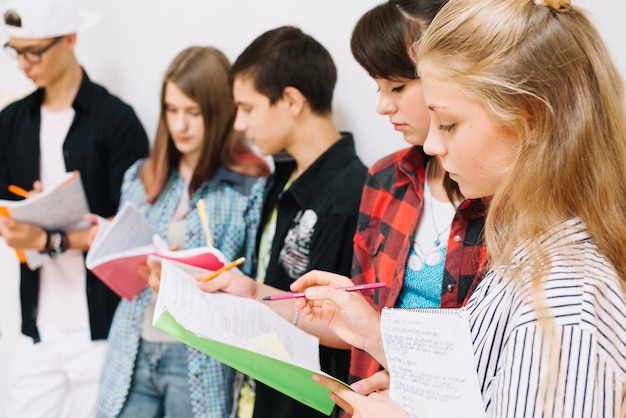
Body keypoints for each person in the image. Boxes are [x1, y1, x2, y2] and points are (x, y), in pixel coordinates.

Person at [292, 0, 626, 416]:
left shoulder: (564, 305)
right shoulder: (526, 251)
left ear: (531, 121)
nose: (432, 144)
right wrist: (390, 356)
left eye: (448, 123)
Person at [197, 26, 368, 418]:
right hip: (258, 394)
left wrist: (255, 294)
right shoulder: (281, 175)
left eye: (247, 107)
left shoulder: (350, 193)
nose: (239, 123)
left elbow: (342, 327)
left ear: (291, 100)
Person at [95, 46, 269, 418]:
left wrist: (182, 278)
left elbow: (253, 282)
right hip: (132, 346)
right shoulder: (141, 177)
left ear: (222, 113)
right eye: (171, 111)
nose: (180, 126)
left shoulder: (249, 186)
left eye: (194, 113)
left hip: (197, 359)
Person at [0, 0, 149, 416]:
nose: (24, 64)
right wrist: (19, 219)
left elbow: (136, 232)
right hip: (38, 327)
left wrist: (49, 236)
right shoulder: (11, 122)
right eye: (16, 50)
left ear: (70, 39)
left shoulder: (117, 121)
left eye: (34, 51)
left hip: (102, 328)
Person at [347, 0, 487, 388]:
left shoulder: (501, 192)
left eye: (397, 85)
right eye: (377, 87)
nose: (382, 106)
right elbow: (363, 325)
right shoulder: (385, 178)